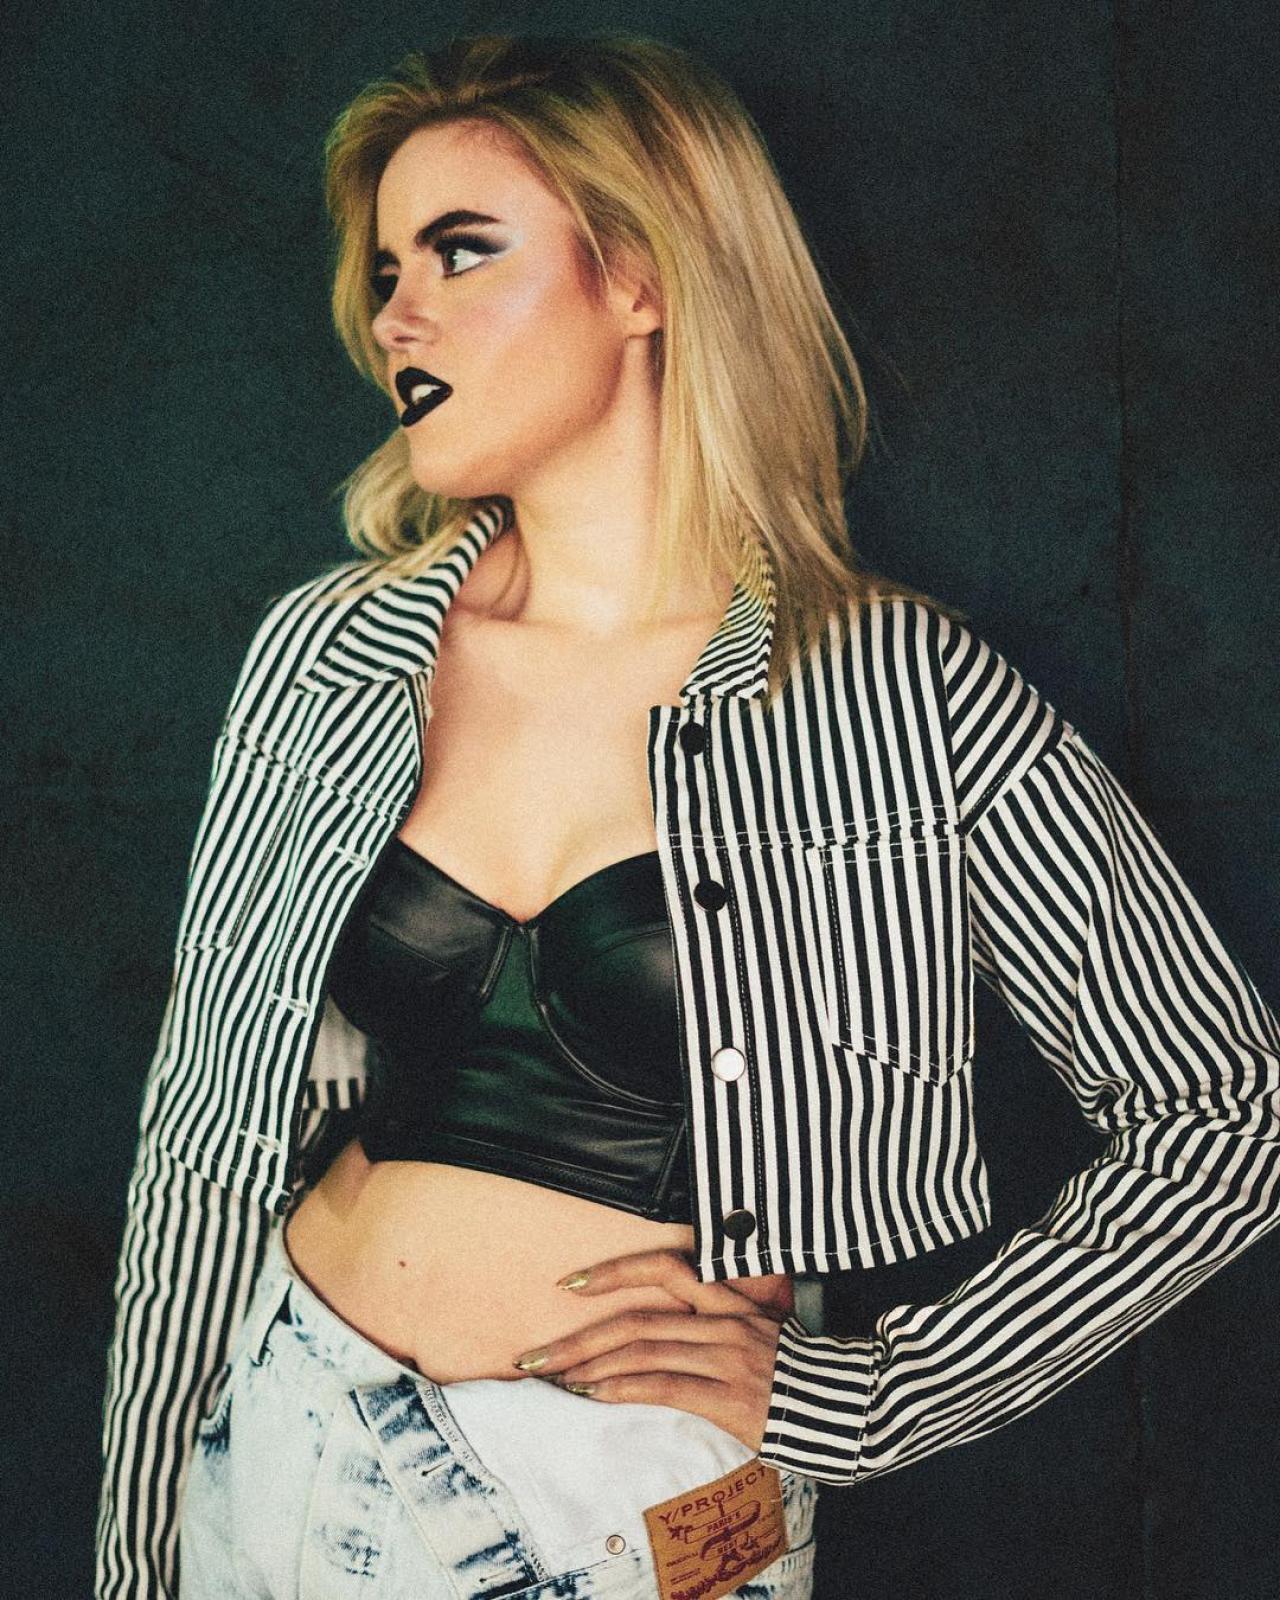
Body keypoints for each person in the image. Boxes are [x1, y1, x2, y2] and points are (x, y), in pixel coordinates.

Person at [95, 30, 1280, 1600]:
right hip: (281, 1437)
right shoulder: (332, 649)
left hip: (625, 1517)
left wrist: (875, 1397)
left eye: (460, 251)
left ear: (642, 278)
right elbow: (201, 1145)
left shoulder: (901, 695)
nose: (395, 314)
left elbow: (1224, 1114)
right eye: (384, 270)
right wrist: (137, 1546)